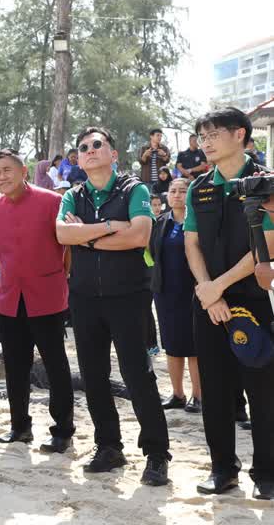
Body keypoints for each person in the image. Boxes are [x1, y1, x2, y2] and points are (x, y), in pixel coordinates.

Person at [56, 126, 170, 486]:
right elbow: (61, 234)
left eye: (97, 145)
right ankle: (109, 446)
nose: (89, 150)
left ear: (113, 154)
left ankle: (156, 454)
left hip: (128, 297)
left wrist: (86, 236)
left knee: (138, 375)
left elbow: (139, 235)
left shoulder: (134, 188)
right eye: (83, 147)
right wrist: (107, 227)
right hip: (85, 299)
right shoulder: (73, 195)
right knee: (93, 376)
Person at [183, 107, 274, 500]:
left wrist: (219, 287)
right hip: (207, 301)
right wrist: (207, 291)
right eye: (201, 136)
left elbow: (266, 245)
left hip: (251, 298)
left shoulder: (265, 184)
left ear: (240, 134)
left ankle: (267, 474)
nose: (205, 142)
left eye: (213, 133)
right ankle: (223, 469)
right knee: (215, 392)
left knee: (263, 391)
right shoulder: (198, 187)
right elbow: (191, 243)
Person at [0, 150, 75, 453]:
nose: (1, 177)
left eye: (7, 170)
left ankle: (62, 430)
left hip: (47, 296)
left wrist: (57, 277)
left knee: (55, 365)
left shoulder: (52, 202)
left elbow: (67, 248)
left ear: (24, 170)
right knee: (15, 366)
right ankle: (19, 427)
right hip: (9, 298)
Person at [147, 178, 201, 414]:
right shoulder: (159, 223)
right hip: (166, 292)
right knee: (171, 345)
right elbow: (148, 252)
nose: (177, 195)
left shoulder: (199, 220)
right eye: (173, 190)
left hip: (194, 291)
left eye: (182, 191)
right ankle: (177, 394)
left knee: (194, 346)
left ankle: (198, 396)